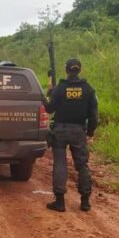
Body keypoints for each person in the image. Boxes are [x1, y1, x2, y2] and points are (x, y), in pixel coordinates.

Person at [45, 58, 98, 212]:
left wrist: (46, 96)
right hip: (79, 131)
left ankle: (60, 201)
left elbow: (49, 109)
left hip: (60, 130)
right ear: (79, 70)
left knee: (60, 163)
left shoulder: (60, 88)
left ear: (66, 70)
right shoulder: (88, 89)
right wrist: (90, 132)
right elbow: (94, 116)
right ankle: (85, 202)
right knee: (82, 165)